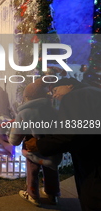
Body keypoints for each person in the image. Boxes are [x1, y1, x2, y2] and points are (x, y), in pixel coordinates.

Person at [25, 77, 101, 211]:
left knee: (92, 200)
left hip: (93, 165)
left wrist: (39, 144)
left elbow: (69, 135)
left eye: (55, 89)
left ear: (70, 85)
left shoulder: (75, 96)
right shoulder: (93, 92)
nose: (54, 95)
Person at [9, 78, 61, 206]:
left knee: (32, 171)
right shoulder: (53, 110)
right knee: (51, 170)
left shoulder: (24, 113)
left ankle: (32, 195)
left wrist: (13, 141)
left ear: (26, 97)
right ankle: (52, 194)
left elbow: (16, 134)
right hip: (51, 147)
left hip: (33, 148)